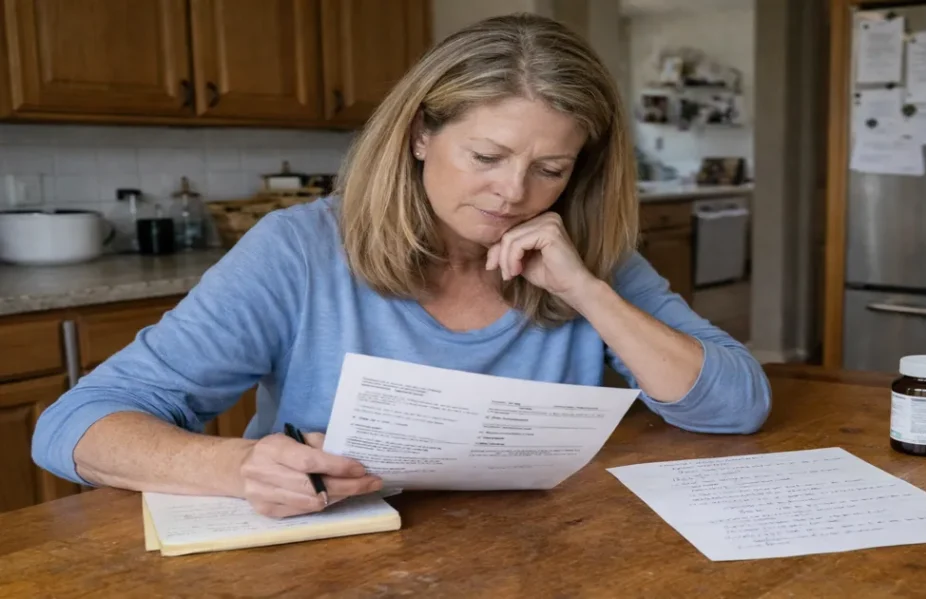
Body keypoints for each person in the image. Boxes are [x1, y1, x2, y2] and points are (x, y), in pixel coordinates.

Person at [31, 13, 772, 518]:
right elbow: (73, 425)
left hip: (543, 557)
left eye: (551, 168)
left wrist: (587, 289)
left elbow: (736, 404)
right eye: (486, 157)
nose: (514, 194)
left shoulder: (579, 255)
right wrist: (240, 466)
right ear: (420, 134)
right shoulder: (300, 249)